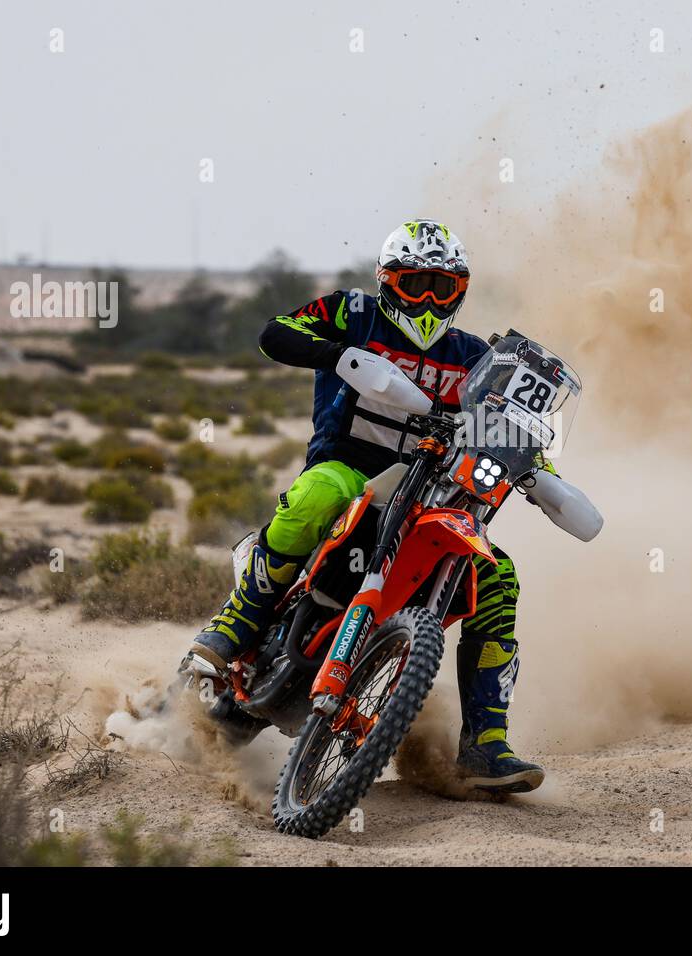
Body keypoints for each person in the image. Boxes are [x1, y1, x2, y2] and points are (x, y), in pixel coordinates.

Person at [182, 219, 543, 792]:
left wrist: (537, 467)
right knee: (318, 492)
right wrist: (341, 352)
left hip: (428, 499)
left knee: (497, 576)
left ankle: (486, 744)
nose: (426, 298)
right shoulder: (353, 313)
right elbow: (274, 335)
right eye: (414, 282)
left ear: (461, 292)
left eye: (441, 287)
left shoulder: (476, 357)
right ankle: (239, 620)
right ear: (386, 280)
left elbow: (509, 422)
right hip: (348, 472)